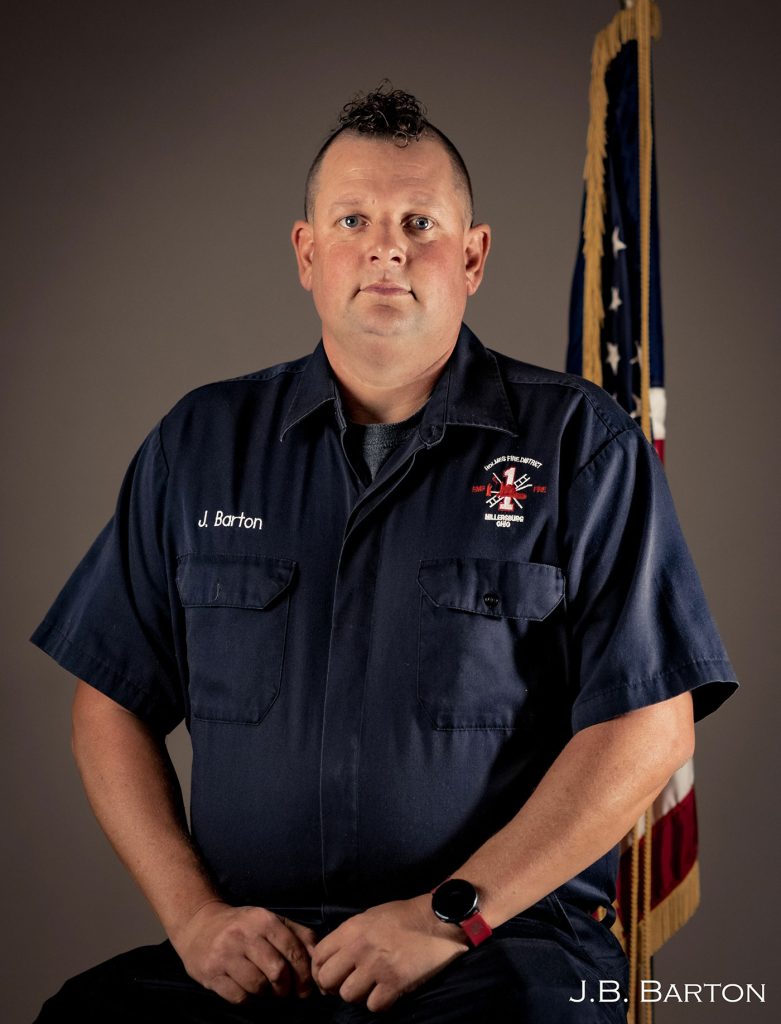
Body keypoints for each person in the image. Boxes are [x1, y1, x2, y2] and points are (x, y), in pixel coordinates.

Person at [31, 84, 737, 1023]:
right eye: (354, 219)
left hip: (500, 948)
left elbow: (650, 726)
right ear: (306, 252)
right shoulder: (198, 444)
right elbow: (110, 701)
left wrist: (449, 919)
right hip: (258, 953)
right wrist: (195, 919)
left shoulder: (580, 446)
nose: (386, 246)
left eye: (419, 221)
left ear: (474, 255)